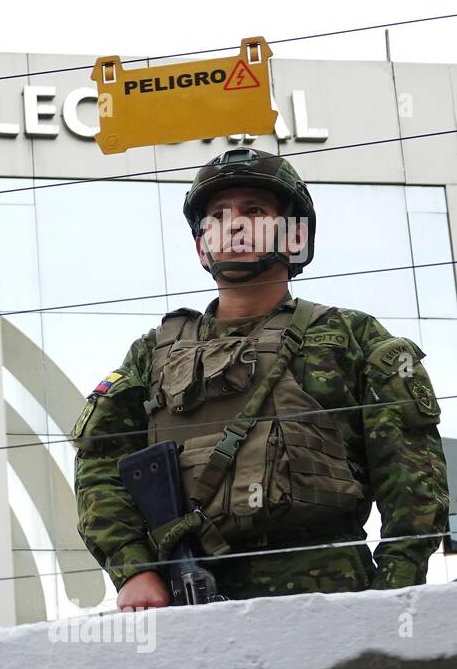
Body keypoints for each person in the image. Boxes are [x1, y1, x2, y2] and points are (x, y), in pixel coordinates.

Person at [70, 147, 449, 610]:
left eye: (254, 211)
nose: (234, 224)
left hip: (332, 598)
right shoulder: (152, 354)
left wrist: (394, 595)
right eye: (218, 215)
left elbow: (413, 481)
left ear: (294, 235)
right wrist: (135, 570)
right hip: (187, 598)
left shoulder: (351, 337)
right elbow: (99, 462)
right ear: (200, 243)